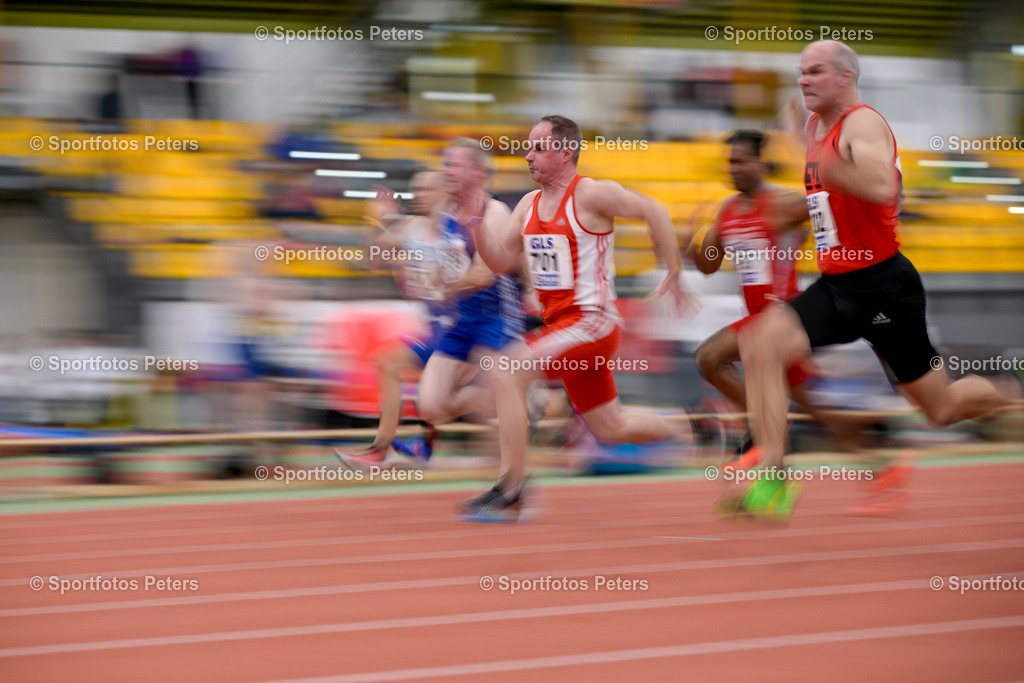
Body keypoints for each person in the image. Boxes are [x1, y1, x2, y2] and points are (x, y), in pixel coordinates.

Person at [735, 40, 1018, 519]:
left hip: (884, 287)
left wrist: (821, 162)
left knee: (941, 411)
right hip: (838, 286)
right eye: (801, 71)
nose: (804, 80)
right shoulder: (813, 125)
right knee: (759, 344)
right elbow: (826, 201)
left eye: (816, 71)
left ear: (845, 77)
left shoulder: (862, 123)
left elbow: (880, 186)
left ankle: (1008, 395)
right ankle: (775, 477)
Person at [465, 115, 692, 522]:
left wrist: (673, 271)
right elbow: (499, 262)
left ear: (565, 152)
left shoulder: (590, 194)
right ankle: (687, 428)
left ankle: (511, 488)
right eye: (528, 148)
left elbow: (655, 210)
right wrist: (478, 226)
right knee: (611, 429)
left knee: (504, 371)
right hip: (563, 330)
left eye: (537, 148)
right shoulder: (528, 205)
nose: (528, 156)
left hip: (592, 323)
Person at [689, 129, 854, 469]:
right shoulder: (726, 212)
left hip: (783, 317)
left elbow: (827, 206)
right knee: (816, 411)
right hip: (757, 321)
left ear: (761, 163)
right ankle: (875, 463)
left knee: (709, 358)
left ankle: (764, 430)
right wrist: (694, 244)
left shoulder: (781, 202)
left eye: (741, 161)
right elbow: (708, 265)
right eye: (730, 162)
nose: (733, 168)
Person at [335, 169, 454, 466]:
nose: (419, 195)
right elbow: (372, 260)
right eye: (416, 189)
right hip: (438, 327)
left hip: (462, 326)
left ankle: (392, 448)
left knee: (442, 394)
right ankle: (399, 446)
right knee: (390, 366)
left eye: (426, 189)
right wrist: (378, 222)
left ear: (445, 192)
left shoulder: (457, 228)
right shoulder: (411, 227)